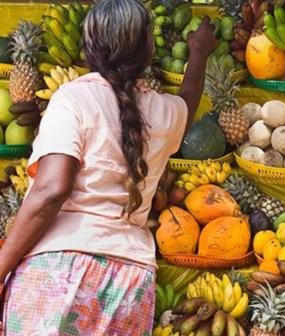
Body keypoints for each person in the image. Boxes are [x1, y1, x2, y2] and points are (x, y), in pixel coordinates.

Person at [0, 0, 217, 334]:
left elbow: (50, 189)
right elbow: (189, 98)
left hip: (61, 268)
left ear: (89, 47)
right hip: (129, 281)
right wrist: (199, 53)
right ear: (148, 51)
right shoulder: (165, 112)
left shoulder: (73, 99)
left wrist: (1, 267)